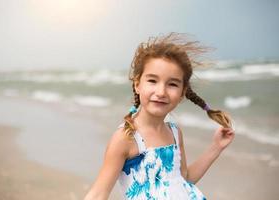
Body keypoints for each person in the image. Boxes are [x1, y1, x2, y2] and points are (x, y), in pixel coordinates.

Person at [84, 33, 235, 200]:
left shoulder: (175, 132)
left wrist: (216, 147)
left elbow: (183, 180)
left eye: (172, 84)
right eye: (152, 81)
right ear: (137, 85)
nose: (161, 92)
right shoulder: (127, 138)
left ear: (182, 92)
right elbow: (98, 194)